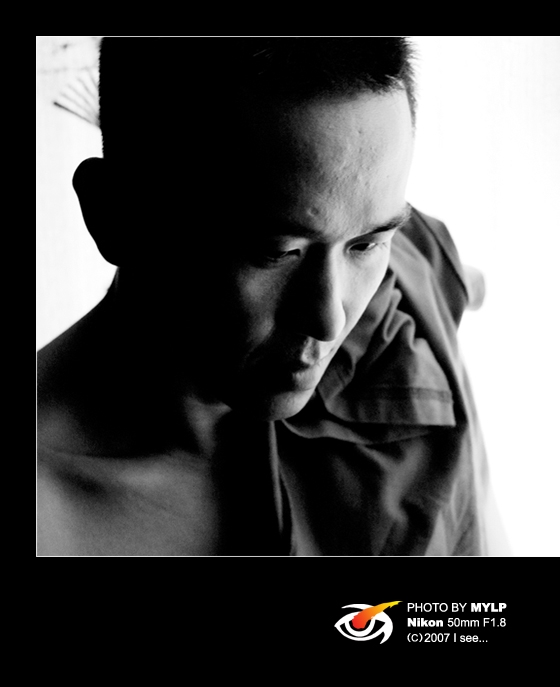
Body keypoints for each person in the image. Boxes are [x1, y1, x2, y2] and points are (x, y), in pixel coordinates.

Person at [37, 37, 497, 555]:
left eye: (366, 244)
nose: (329, 319)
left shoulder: (399, 306)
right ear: (115, 218)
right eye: (276, 253)